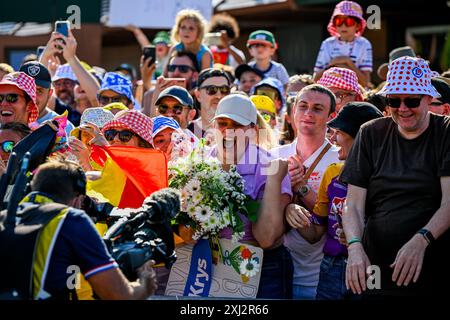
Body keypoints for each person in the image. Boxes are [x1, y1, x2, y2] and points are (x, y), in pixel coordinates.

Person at [341, 56, 450, 297]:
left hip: (430, 265)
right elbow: (353, 203)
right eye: (393, 100)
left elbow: (449, 203)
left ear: (429, 98)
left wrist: (421, 240)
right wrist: (355, 247)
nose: (402, 108)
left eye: (411, 100)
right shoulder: (370, 132)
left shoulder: (445, 131)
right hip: (374, 264)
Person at [0, 159, 158, 299]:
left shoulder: (4, 216)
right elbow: (119, 295)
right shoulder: (70, 220)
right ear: (79, 199)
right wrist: (145, 283)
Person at [285, 102, 383, 300]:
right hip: (331, 268)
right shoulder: (332, 173)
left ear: (362, 136)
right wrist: (291, 210)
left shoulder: (386, 177)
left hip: (372, 269)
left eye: (338, 132)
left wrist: (362, 239)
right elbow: (315, 233)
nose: (332, 138)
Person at [209, 94, 293, 298]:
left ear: (253, 131)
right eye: (222, 123)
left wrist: (273, 181)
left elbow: (266, 238)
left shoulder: (270, 165)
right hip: (213, 265)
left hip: (263, 268)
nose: (228, 131)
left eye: (237, 125)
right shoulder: (200, 160)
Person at [272, 84, 340, 300]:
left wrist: (301, 187)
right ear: (293, 112)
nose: (308, 113)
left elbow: (337, 217)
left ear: (332, 116)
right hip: (276, 272)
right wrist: (287, 206)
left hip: (319, 278)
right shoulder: (273, 155)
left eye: (318, 108)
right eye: (303, 106)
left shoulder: (340, 159)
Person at [313, 1, 372, 87]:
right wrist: (332, 64)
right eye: (338, 21)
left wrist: (347, 62)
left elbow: (365, 82)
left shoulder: (364, 44)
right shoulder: (327, 44)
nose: (343, 26)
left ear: (358, 25)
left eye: (348, 21)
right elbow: (315, 79)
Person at [19, 61, 75, 136]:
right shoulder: (6, 120)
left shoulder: (65, 128)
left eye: (39, 91)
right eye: (27, 89)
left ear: (49, 94)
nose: (32, 96)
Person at [143, 50, 200, 117]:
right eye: (172, 68)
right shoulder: (151, 95)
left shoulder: (201, 97)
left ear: (195, 76)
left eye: (183, 69)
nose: (175, 73)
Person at [190, 68, 232, 142]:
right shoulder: (186, 130)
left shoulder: (238, 129)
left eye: (224, 90)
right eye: (211, 90)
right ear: (198, 95)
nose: (219, 96)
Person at [69, 107, 115, 171]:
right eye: (86, 133)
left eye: (98, 134)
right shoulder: (71, 161)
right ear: (80, 137)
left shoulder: (117, 161)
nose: (91, 139)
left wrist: (86, 164)